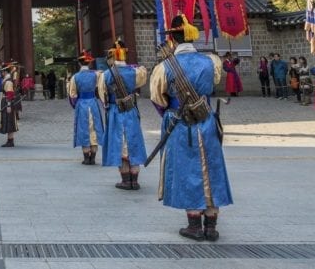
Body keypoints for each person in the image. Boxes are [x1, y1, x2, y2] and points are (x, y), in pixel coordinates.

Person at [149, 14, 232, 242]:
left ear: (172, 40)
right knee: (211, 167)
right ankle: (211, 226)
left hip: (179, 123)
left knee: (187, 169)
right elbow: (213, 85)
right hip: (205, 120)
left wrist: (172, 112)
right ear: (193, 39)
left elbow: (158, 98)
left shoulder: (164, 66)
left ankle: (194, 225)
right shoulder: (211, 61)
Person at [99, 42, 148, 189]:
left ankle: (126, 180)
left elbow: (103, 96)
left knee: (120, 143)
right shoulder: (136, 72)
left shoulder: (106, 75)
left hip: (115, 111)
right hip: (131, 110)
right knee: (133, 142)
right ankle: (135, 180)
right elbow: (141, 83)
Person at [67, 50, 104, 165]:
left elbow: (72, 94)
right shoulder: (96, 75)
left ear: (79, 64)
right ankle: (93, 157)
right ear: (89, 63)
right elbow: (102, 86)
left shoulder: (75, 77)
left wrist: (75, 104)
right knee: (94, 128)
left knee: (84, 128)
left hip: (82, 103)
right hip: (93, 103)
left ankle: (86, 158)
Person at [0, 63, 18, 147]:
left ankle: (10, 141)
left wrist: (8, 105)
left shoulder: (8, 81)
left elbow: (10, 94)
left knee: (9, 121)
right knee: (7, 121)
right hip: (4, 101)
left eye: (1, 72)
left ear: (5, 72)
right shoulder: (6, 80)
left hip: (7, 102)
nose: (1, 73)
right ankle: (9, 140)